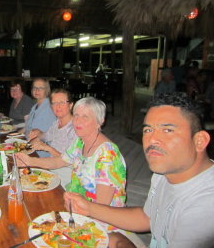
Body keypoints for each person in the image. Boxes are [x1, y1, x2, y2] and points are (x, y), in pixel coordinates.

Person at [64, 93, 214, 248]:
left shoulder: (205, 205)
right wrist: (89, 208)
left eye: (167, 130)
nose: (152, 139)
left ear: (200, 141)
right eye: (148, 130)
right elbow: (146, 218)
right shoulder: (162, 174)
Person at [17, 97, 126, 222]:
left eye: (85, 117)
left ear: (99, 121)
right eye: (76, 115)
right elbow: (58, 161)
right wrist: (29, 161)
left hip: (99, 222)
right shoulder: (80, 142)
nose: (77, 121)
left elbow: (101, 207)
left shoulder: (108, 155)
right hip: (73, 205)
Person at [28, 88, 77, 187]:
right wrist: (38, 132)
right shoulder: (57, 123)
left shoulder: (75, 129)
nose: (57, 106)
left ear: (71, 105)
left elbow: (69, 161)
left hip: (67, 178)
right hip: (52, 170)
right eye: (54, 103)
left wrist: (47, 148)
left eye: (62, 102)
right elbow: (46, 136)